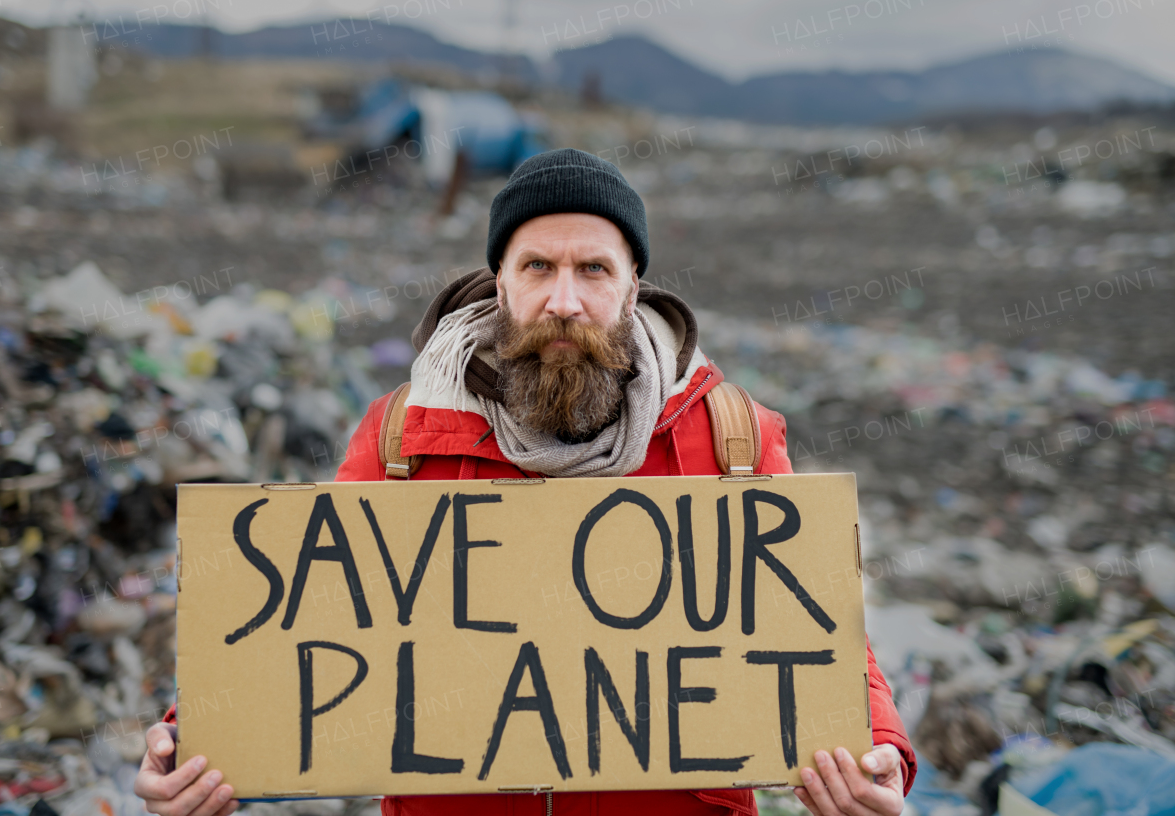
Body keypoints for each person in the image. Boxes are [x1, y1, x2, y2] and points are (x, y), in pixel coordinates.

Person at [136, 149, 916, 816]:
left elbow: (815, 624)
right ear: (501, 281)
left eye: (593, 269)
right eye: (537, 266)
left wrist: (878, 747)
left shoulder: (731, 435)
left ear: (633, 284)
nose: (564, 300)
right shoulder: (403, 434)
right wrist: (194, 738)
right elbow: (309, 619)